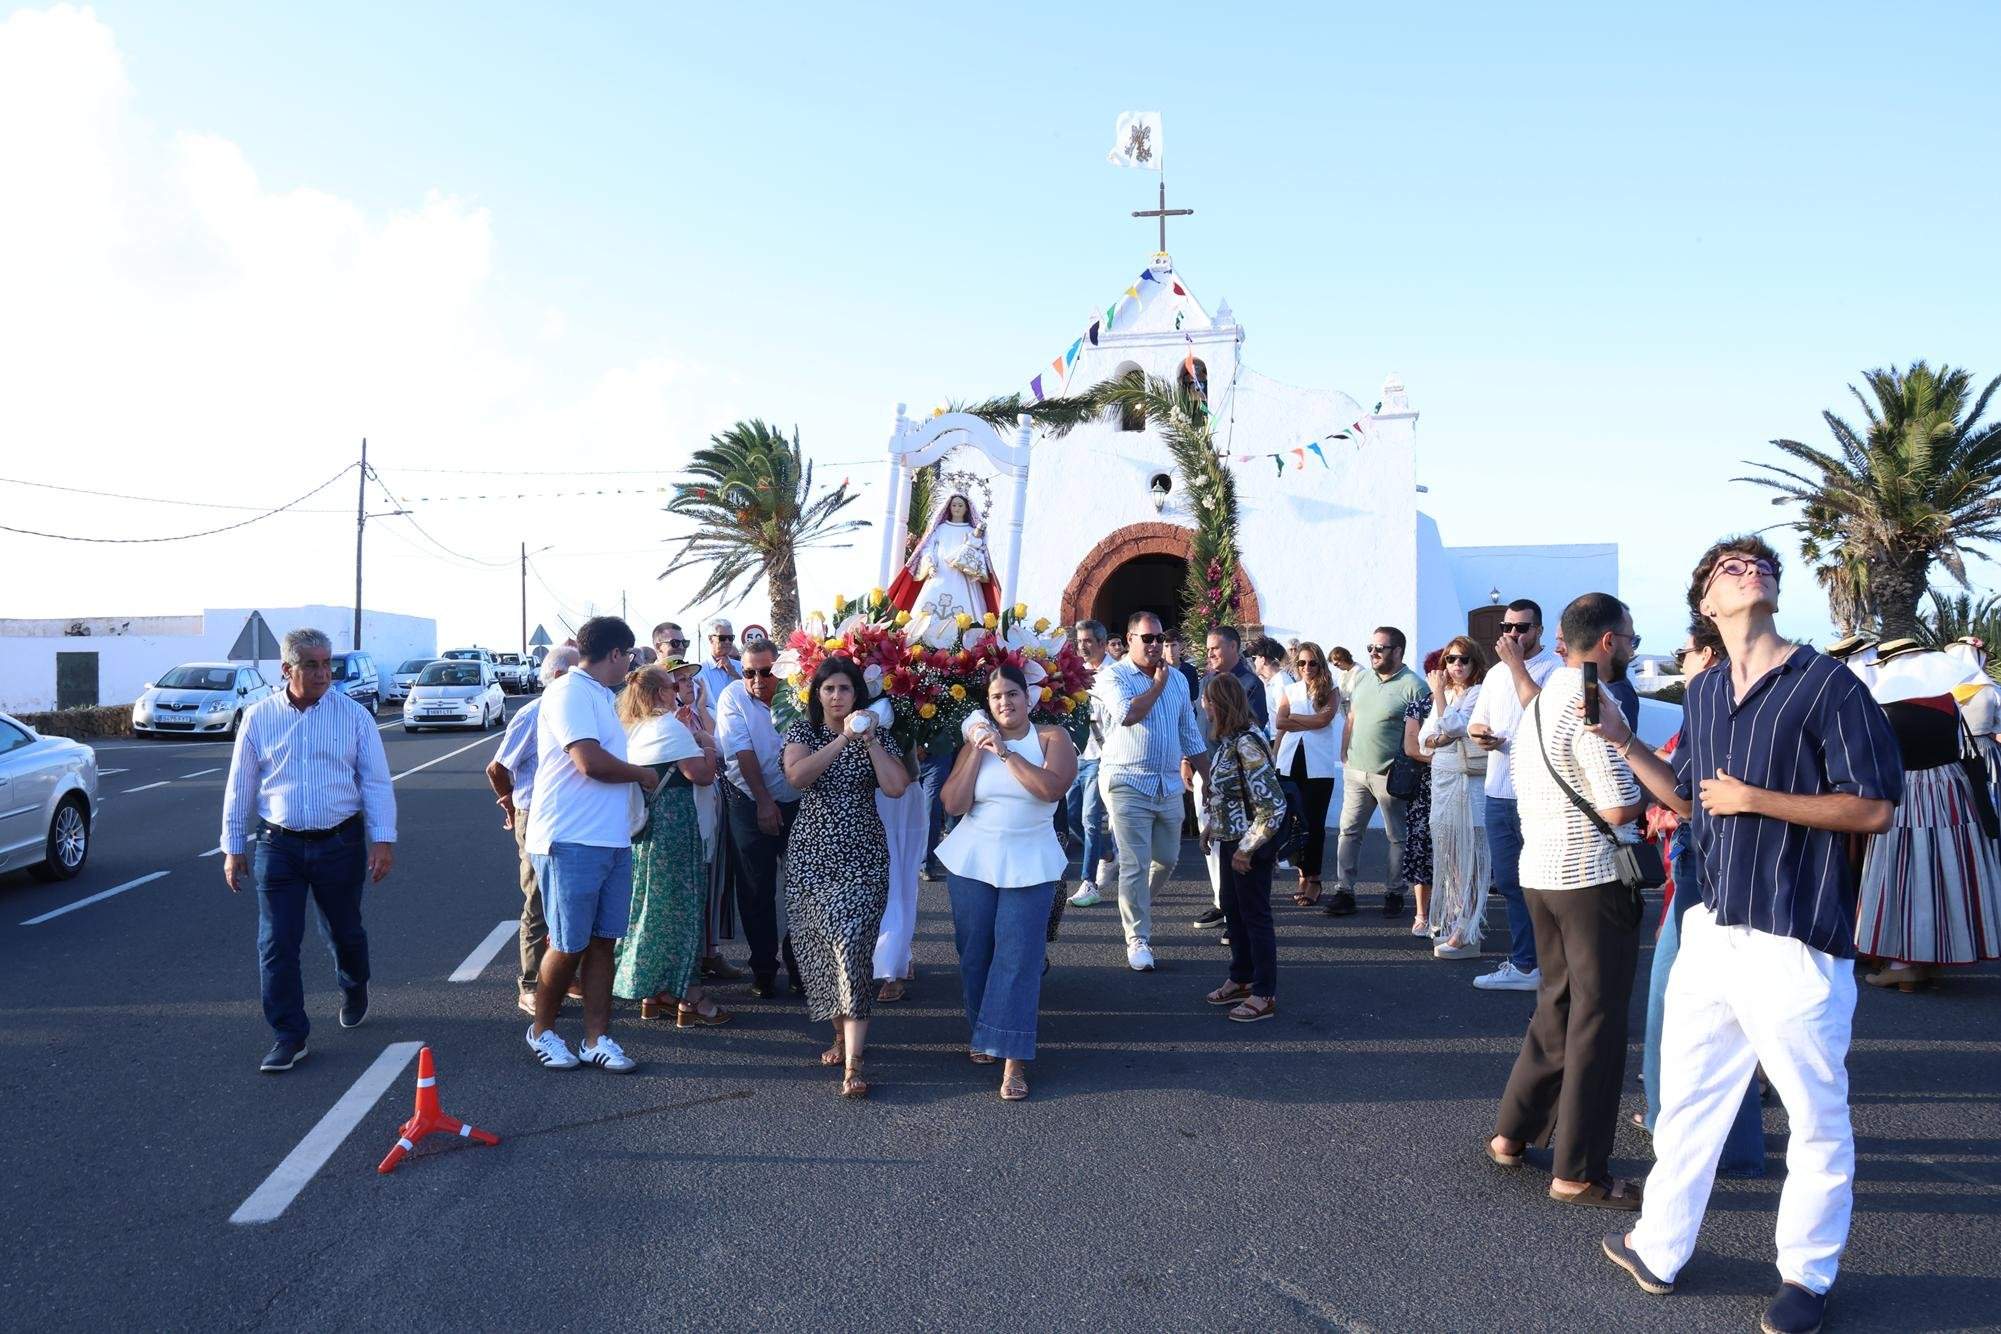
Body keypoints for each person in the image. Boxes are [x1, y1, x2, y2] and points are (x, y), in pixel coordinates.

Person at [1596, 538, 1901, 1334]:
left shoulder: (1827, 685)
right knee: (1689, 1103)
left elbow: (1871, 807)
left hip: (1794, 939)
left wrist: (1756, 799)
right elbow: (1697, 801)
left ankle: (1806, 1278)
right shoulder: (1702, 692)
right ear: (1706, 604)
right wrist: (1622, 741)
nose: (1746, 570)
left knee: (1814, 1117)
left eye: (1755, 564)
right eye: (1727, 567)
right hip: (1713, 932)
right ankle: (1657, 1248)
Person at [1487, 593, 1647, 1211]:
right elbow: (1614, 803)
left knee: (1556, 1005)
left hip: (1540, 872)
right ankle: (1577, 1170)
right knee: (1598, 1020)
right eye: (1629, 635)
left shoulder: (1541, 696)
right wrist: (1656, 792)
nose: (1633, 644)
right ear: (1607, 640)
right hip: (1590, 876)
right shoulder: (1590, 701)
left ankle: (1512, 1132)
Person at [221, 628, 397, 1074]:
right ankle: (289, 1035)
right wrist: (233, 846)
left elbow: (375, 781)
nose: (323, 673)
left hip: (340, 842)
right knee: (276, 942)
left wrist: (382, 839)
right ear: (287, 670)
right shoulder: (259, 717)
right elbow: (240, 784)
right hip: (278, 846)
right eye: (312, 665)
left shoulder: (354, 716)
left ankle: (354, 984)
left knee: (345, 933)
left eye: (327, 664)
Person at [1633, 624, 1764, 1176]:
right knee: (1731, 1017)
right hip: (1742, 867)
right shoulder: (1752, 695)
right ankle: (1730, 1145)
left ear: (1707, 653)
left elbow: (1686, 797)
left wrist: (1624, 745)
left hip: (1704, 867)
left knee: (1676, 1009)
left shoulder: (1710, 699)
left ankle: (1677, 1129)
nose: (1680, 660)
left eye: (1684, 651)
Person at [523, 616, 657, 1074]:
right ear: (616, 653)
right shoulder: (568, 691)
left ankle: (597, 1039)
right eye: (631, 655)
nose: (632, 665)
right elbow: (589, 762)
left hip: (609, 838)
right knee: (568, 943)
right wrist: (642, 774)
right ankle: (542, 1030)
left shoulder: (601, 695)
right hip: (568, 838)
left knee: (603, 943)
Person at [937, 665, 1077, 1100]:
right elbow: (953, 803)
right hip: (973, 858)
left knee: (1018, 955)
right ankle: (984, 1029)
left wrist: (1004, 752)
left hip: (1029, 859)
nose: (1005, 703)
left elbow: (1051, 789)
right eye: (997, 697)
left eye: (1013, 694)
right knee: (974, 950)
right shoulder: (977, 742)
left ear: (1029, 697)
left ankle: (1013, 1059)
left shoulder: (1053, 738)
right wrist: (977, 752)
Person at [781, 656, 911, 1098]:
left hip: (863, 859)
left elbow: (896, 786)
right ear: (818, 696)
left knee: (853, 949)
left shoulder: (879, 738)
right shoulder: (803, 733)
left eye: (845, 690)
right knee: (821, 953)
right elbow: (796, 776)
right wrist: (841, 740)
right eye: (829, 690)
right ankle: (840, 1034)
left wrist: (870, 740)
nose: (837, 697)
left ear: (859, 696)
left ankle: (853, 1064)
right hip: (811, 859)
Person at [1853, 639, 2001, 989]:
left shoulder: (1886, 701)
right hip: (1951, 787)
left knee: (1905, 871)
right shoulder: (1947, 698)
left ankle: (1903, 964)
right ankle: (1931, 958)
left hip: (1906, 791)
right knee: (1946, 870)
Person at [611, 661, 730, 1025]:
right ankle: (691, 997)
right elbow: (703, 775)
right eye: (670, 685)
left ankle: (654, 991)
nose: (677, 690)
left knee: (651, 906)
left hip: (646, 829)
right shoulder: (669, 727)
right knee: (685, 910)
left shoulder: (631, 730)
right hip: (677, 828)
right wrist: (707, 747)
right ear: (660, 693)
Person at [1093, 611, 1209, 972]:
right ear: (1130, 640)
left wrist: (1211, 780)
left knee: (1167, 859)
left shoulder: (1177, 680)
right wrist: (1156, 685)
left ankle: (1137, 903)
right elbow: (1128, 714)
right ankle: (1137, 937)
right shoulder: (1113, 676)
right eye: (1148, 638)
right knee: (1134, 862)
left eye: (1159, 638)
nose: (1156, 645)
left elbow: (1190, 733)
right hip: (1126, 780)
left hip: (1168, 784)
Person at [1467, 599, 1561, 992]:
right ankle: (1527, 964)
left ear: (1538, 630)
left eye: (1522, 628)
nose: (1512, 635)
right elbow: (1478, 719)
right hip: (1498, 789)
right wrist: (1480, 734)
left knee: (1546, 884)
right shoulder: (1493, 675)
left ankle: (1553, 964)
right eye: (1507, 627)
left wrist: (1516, 665)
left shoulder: (1556, 670)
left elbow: (1543, 713)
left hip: (1538, 794)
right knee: (1509, 881)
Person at [487, 644, 580, 1015]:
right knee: (538, 899)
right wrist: (510, 802)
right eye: (577, 671)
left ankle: (562, 976)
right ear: (558, 677)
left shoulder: (575, 709)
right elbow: (496, 768)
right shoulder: (532, 713)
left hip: (568, 814)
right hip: (535, 815)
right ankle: (530, 983)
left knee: (567, 899)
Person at [714, 637, 803, 997]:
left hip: (798, 797)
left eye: (766, 672)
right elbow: (742, 751)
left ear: (779, 671)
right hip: (749, 799)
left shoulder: (799, 693)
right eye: (749, 672)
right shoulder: (732, 696)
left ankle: (799, 962)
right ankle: (763, 967)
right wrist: (765, 803)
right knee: (755, 888)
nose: (757, 680)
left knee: (802, 885)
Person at [1199, 673, 1288, 1023]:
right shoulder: (1230, 739)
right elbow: (1229, 794)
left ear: (1218, 703)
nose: (1203, 707)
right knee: (1234, 913)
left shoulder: (1247, 742)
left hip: (1249, 844)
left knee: (1255, 917)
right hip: (1230, 839)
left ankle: (1264, 992)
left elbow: (1272, 804)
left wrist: (1247, 848)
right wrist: (1210, 828)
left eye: (1206, 701)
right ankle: (1241, 977)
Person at [1328, 627, 1424, 918]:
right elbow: (1353, 716)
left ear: (1398, 651)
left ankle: (1394, 892)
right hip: (1357, 770)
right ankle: (1345, 891)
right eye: (1370, 647)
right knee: (1348, 832)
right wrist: (1344, 752)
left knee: (1397, 836)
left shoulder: (1414, 686)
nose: (1373, 653)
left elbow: (1421, 733)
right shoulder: (1364, 678)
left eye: (1380, 648)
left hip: (1390, 776)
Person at [1416, 636, 1489, 959]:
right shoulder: (1444, 695)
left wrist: (1443, 726)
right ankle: (1456, 918)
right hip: (1443, 780)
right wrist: (1443, 734)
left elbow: (1454, 725)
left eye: (1463, 660)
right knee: (1448, 855)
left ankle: (1467, 929)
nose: (1456, 666)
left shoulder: (1478, 694)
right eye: (1450, 660)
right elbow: (1424, 739)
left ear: (1475, 664)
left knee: (1470, 855)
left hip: (1467, 781)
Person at [1275, 640, 1342, 907]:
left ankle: (1314, 879)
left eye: (1312, 662)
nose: (1306, 667)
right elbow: (1280, 722)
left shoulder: (1331, 690)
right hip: (1289, 762)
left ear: (1320, 664)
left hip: (1318, 767)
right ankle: (1302, 874)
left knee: (1314, 824)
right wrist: (1306, 722)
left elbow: (1324, 721)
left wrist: (1297, 721)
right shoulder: (1289, 690)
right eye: (1301, 663)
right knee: (1294, 823)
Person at [1065, 620, 1120, 909]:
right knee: (1073, 816)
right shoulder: (1076, 672)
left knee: (1089, 818)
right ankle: (1108, 853)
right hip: (1077, 752)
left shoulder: (1117, 673)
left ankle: (1089, 882)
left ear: (1101, 643)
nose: (1082, 645)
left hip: (1102, 754)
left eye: (1087, 641)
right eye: (1079, 641)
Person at [887, 492, 1000, 620]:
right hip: (940, 571)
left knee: (967, 610)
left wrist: (975, 540)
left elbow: (978, 550)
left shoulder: (970, 530)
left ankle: (966, 629)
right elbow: (928, 547)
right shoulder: (940, 528)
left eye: (960, 505)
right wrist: (930, 564)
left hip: (963, 575)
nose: (957, 508)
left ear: (967, 508)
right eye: (954, 505)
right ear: (949, 507)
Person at [1397, 655, 1437, 937]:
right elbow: (1412, 747)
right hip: (1424, 789)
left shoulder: (1469, 703)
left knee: (1453, 851)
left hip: (1457, 788)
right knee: (1421, 849)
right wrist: (1445, 759)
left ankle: (1449, 911)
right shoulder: (1421, 705)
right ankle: (1421, 914)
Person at [1245, 636, 1295, 740]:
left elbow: (1285, 719)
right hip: (1276, 739)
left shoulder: (1281, 683)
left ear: (1262, 660)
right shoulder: (1273, 682)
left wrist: (1275, 752)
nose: (1254, 662)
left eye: (1255, 658)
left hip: (1284, 742)